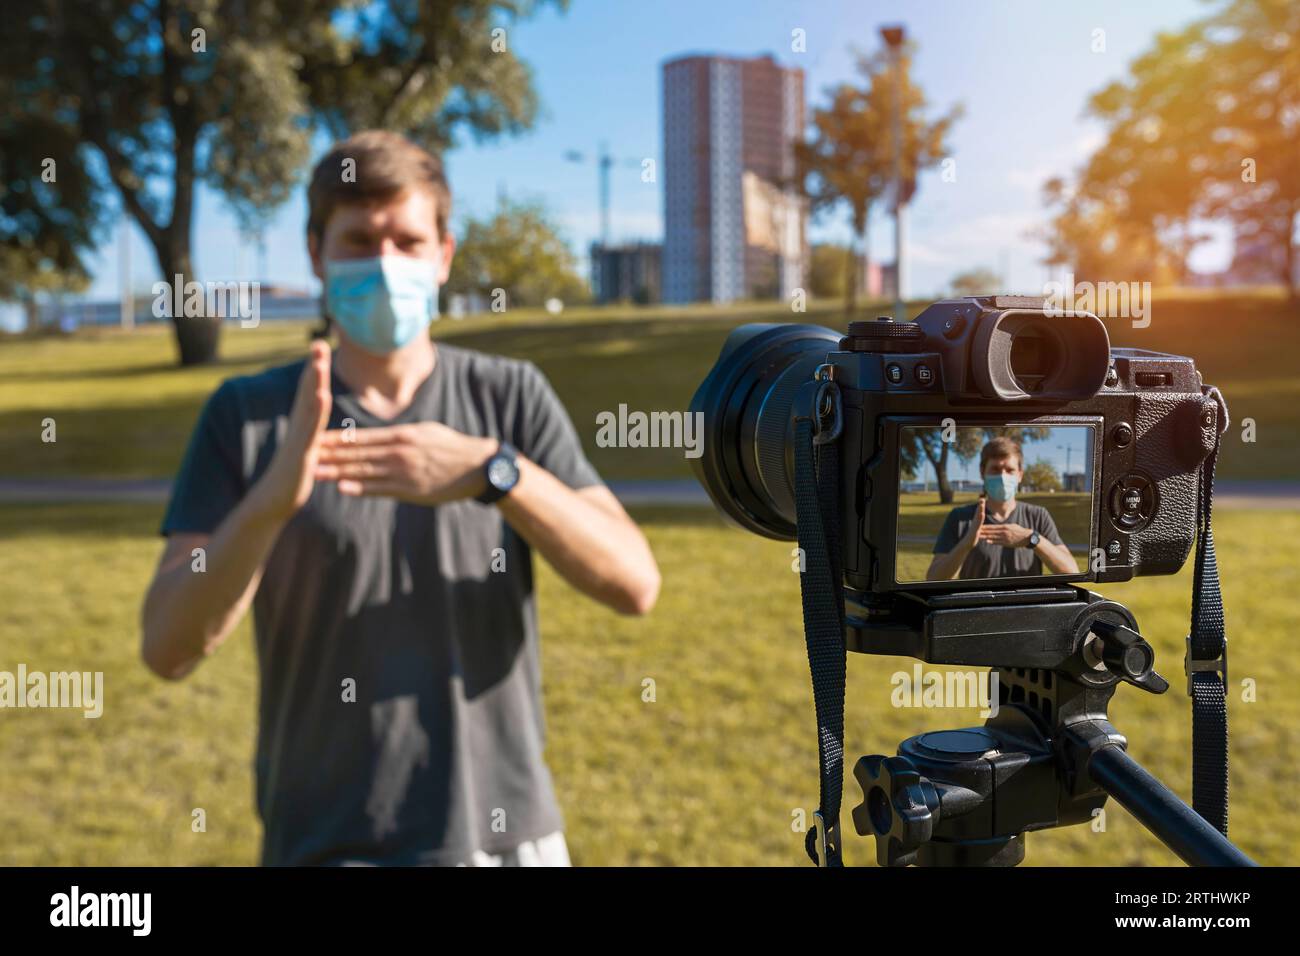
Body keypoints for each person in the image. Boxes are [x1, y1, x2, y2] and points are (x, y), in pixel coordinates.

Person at [140, 130, 661, 866]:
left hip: (502, 836)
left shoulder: (508, 396)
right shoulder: (248, 414)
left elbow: (635, 583)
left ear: (444, 255)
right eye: (359, 240)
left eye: (408, 240)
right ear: (317, 254)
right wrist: (267, 504)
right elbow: (166, 646)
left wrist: (495, 472)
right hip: (325, 842)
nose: (385, 263)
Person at [926, 436, 1077, 581]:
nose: (1003, 476)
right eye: (995, 469)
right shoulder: (959, 517)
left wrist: (1031, 539)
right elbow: (933, 579)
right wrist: (966, 543)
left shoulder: (1038, 515)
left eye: (1009, 470)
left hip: (1027, 607)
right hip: (976, 607)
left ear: (1020, 475)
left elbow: (1072, 572)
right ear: (982, 472)